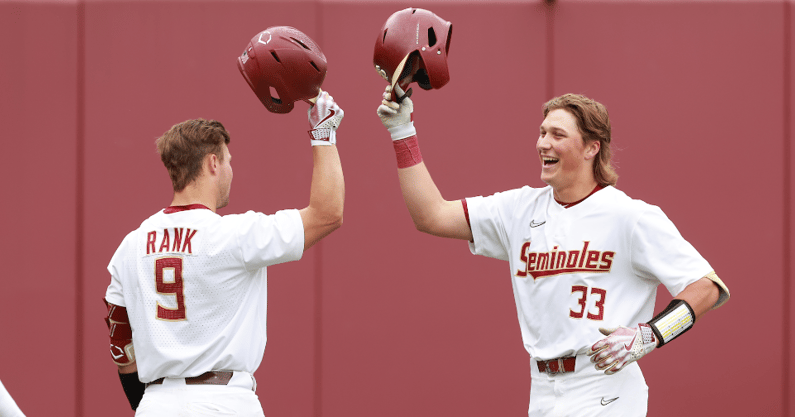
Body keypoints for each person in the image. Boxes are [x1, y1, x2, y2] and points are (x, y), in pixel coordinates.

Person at [376, 87, 729, 416]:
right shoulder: (519, 209)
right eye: (543, 132)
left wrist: (650, 335)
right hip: (543, 389)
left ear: (592, 147)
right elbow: (431, 215)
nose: (543, 143)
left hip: (605, 384)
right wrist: (401, 130)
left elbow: (708, 287)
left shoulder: (631, 216)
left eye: (558, 135)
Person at [104, 91, 345, 416]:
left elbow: (121, 347)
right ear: (212, 163)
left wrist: (150, 406)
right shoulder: (235, 235)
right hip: (224, 402)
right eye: (229, 160)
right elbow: (328, 213)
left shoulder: (130, 246)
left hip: (155, 403)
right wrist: (323, 133)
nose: (231, 169)